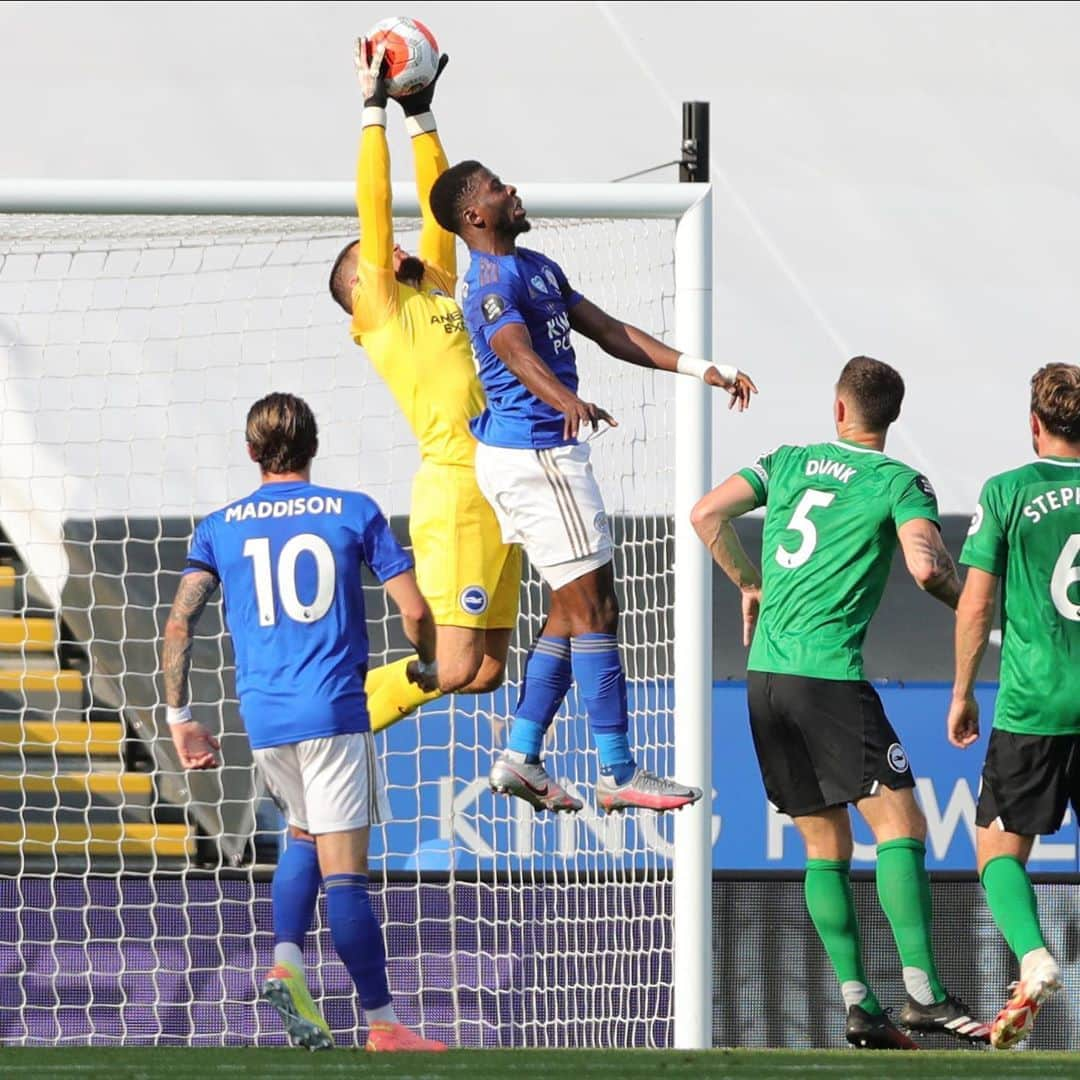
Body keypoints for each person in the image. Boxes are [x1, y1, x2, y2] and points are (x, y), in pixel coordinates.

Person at [426, 160, 756, 815]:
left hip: (538, 455)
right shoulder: (488, 282)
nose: (513, 190)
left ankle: (520, 756)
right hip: (539, 458)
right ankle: (618, 771)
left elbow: (609, 332)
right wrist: (566, 399)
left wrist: (701, 367)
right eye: (498, 187)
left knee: (571, 610)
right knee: (599, 612)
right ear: (475, 216)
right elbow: (515, 350)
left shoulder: (538, 266)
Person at [691, 356, 989, 1049]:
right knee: (903, 826)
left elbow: (706, 512)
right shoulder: (898, 481)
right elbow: (924, 565)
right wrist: (969, 599)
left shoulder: (788, 461)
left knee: (823, 845)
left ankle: (859, 1004)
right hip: (826, 677)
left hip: (762, 678)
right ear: (892, 418)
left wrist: (747, 582)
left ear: (837, 409)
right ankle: (924, 994)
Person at [161, 392, 446, 1053]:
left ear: (251, 451)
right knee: (344, 873)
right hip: (333, 711)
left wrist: (180, 718)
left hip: (265, 719)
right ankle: (382, 1024)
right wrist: (429, 660)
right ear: (314, 445)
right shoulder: (354, 511)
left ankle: (285, 962)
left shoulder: (220, 525)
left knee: (301, 836)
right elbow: (414, 611)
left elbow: (180, 621)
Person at [327, 41, 521, 733]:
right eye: (378, 258)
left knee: (487, 673)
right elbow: (375, 211)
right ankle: (343, 707)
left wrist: (423, 115)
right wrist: (372, 110)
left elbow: (439, 210)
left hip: (505, 479)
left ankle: (361, 695)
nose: (399, 250)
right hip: (458, 486)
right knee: (455, 665)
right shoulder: (381, 311)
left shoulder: (436, 285)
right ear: (360, 287)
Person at [948, 362, 1080, 1049]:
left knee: (997, 848)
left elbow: (975, 604)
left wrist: (964, 691)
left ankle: (1032, 957)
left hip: (1033, 706)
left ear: (1035, 425)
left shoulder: (1007, 491)